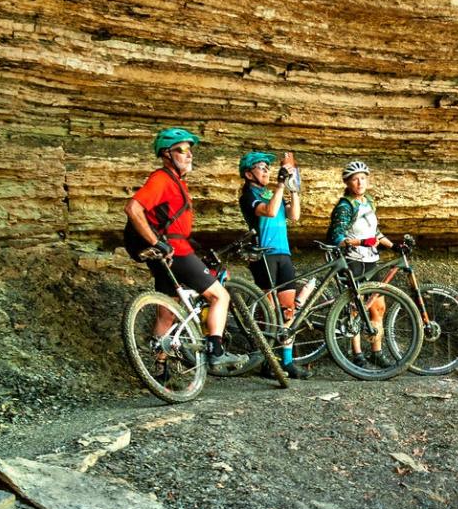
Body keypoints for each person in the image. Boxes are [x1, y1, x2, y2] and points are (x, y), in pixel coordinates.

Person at [123, 128, 247, 376]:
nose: (188, 155)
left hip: (166, 254)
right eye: (181, 150)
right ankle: (216, 351)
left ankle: (160, 370)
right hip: (174, 252)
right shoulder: (162, 180)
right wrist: (156, 241)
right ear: (166, 154)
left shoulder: (176, 182)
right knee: (219, 296)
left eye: (190, 150)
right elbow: (133, 208)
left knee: (167, 314)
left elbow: (173, 224)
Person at [239, 149, 311, 380]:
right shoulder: (249, 195)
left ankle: (287, 362)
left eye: (268, 168)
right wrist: (280, 186)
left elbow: (295, 215)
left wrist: (293, 186)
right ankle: (269, 361)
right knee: (270, 313)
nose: (267, 171)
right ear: (249, 174)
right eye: (261, 168)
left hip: (283, 253)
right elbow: (269, 212)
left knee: (287, 311)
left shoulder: (273, 193)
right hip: (264, 255)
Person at [327, 160, 395, 368]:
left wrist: (393, 245)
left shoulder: (369, 202)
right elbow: (337, 236)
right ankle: (357, 354)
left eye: (363, 178)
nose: (360, 182)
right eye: (355, 179)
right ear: (348, 182)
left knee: (378, 307)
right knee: (355, 308)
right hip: (353, 260)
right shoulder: (345, 206)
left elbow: (374, 232)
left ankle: (376, 351)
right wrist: (359, 242)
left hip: (371, 260)